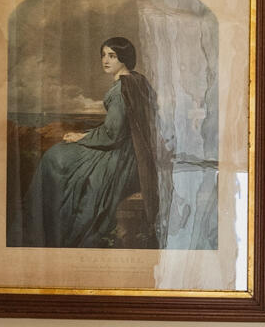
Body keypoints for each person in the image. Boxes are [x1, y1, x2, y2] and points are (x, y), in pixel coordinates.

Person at [17, 35, 166, 247]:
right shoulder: (136, 80)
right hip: (134, 150)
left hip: (122, 155)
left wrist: (81, 136)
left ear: (124, 57)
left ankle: (42, 225)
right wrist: (86, 135)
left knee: (55, 157)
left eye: (112, 56)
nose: (106, 60)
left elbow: (112, 134)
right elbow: (120, 127)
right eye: (104, 55)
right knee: (60, 153)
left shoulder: (122, 89)